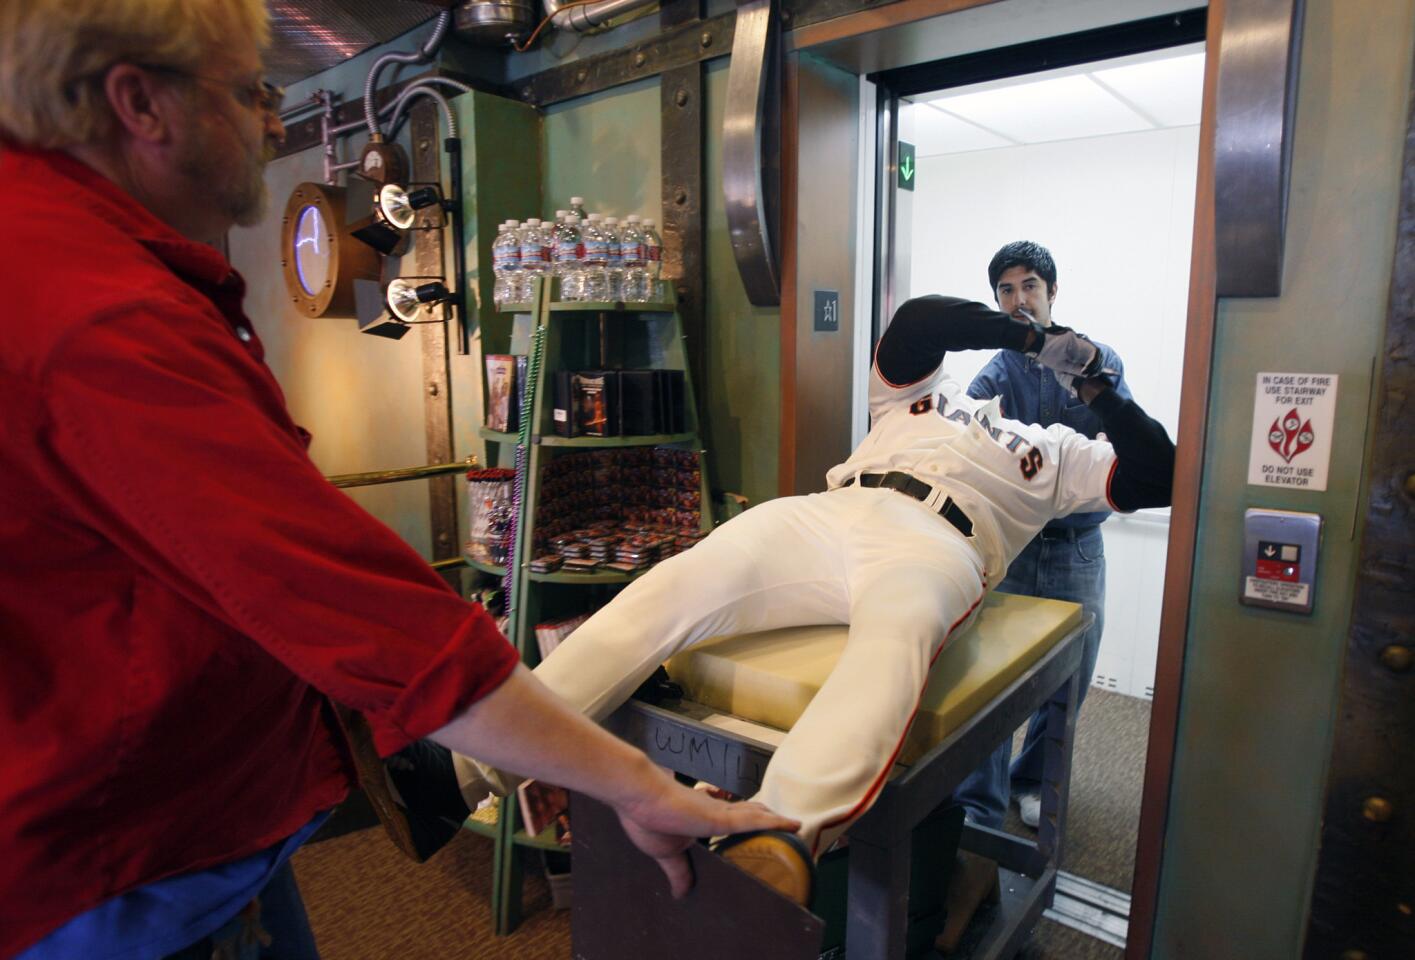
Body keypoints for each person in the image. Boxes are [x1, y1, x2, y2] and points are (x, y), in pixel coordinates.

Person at [0, 3, 794, 957]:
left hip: (178, 828)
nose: (269, 121)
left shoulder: (60, 260)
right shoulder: (97, 315)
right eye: (251, 92)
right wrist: (631, 783)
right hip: (125, 868)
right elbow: (357, 609)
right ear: (140, 104)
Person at [459, 293, 1176, 907]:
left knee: (893, 644)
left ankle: (779, 831)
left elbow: (1160, 473)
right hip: (823, 514)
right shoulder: (917, 391)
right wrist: (1033, 336)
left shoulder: (1054, 453)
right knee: (665, 591)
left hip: (934, 540)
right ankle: (494, 748)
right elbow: (920, 320)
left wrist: (1099, 388)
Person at [938, 240, 1134, 951]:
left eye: (1030, 287)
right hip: (1015, 548)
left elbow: (1113, 439)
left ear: (1052, 291)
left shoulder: (1097, 359)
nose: (1020, 300)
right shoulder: (997, 369)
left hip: (1078, 547)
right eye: (1006, 291)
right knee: (990, 683)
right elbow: (966, 434)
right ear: (995, 301)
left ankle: (1031, 783)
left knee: (1069, 683)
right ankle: (982, 809)